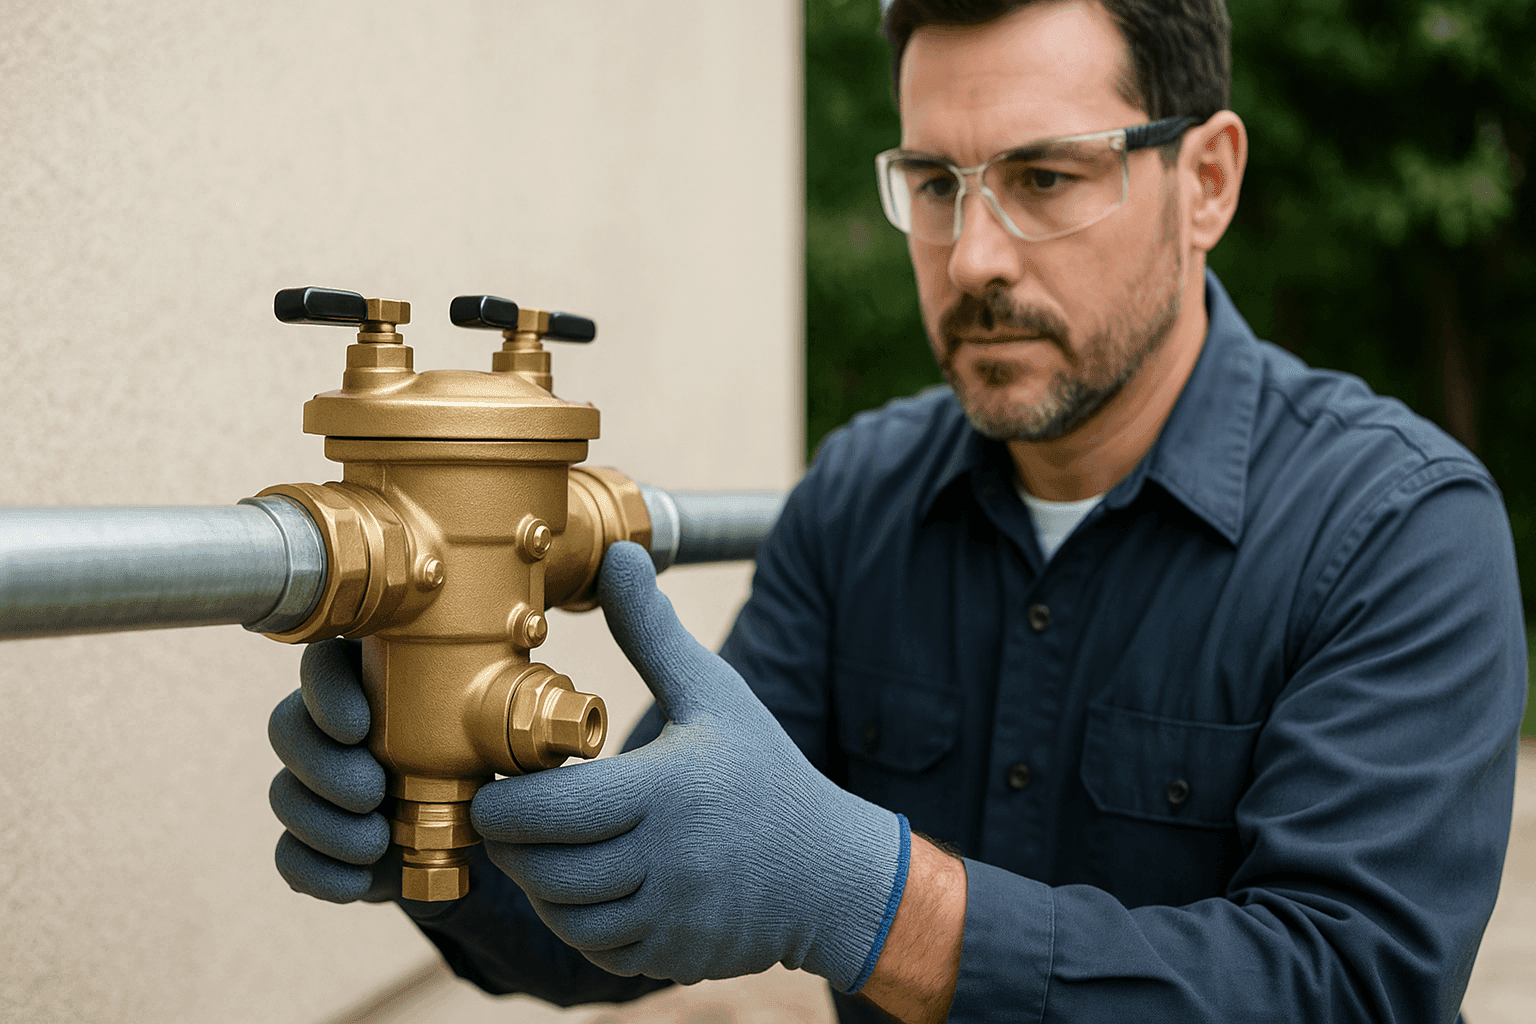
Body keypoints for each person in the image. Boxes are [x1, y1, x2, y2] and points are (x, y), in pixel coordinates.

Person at [266, 1, 1528, 1022]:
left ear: (1206, 179)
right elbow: (618, 933)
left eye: (1042, 176)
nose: (973, 255)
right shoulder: (860, 498)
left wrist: (884, 906)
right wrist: (439, 825)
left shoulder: (1402, 532)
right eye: (935, 182)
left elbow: (1352, 988)